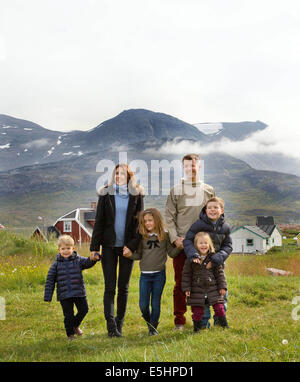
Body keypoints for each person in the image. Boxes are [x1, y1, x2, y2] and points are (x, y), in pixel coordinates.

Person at [90, 163, 144, 337]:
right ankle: (111, 327)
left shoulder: (137, 194)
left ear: (128, 177)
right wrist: (94, 248)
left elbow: (140, 224)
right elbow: (99, 221)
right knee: (110, 287)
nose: (119, 176)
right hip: (109, 246)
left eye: (122, 173)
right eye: (116, 173)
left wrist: (132, 246)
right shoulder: (106, 194)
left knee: (124, 288)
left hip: (127, 248)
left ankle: (119, 324)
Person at [165, 153, 215, 331]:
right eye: (187, 165)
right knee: (180, 283)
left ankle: (200, 320)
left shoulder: (209, 190)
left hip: (202, 247)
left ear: (199, 166)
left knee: (203, 283)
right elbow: (169, 217)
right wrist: (174, 239)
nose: (191, 167)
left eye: (194, 164)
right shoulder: (175, 190)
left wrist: (211, 241)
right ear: (183, 167)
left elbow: (214, 215)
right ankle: (179, 320)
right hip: (182, 246)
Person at [123, 208, 181, 336]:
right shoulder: (142, 237)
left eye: (150, 220)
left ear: (157, 220)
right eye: (145, 221)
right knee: (143, 305)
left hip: (159, 275)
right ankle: (149, 323)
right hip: (145, 275)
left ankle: (153, 328)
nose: (148, 223)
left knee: (155, 302)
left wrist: (180, 248)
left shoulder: (165, 236)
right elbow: (138, 255)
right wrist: (129, 255)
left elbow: (171, 253)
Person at [183, 196, 232, 327]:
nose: (212, 210)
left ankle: (219, 321)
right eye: (209, 208)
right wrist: (193, 253)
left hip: (218, 264)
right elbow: (187, 240)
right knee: (202, 295)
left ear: (221, 210)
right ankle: (204, 323)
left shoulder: (225, 227)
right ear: (205, 210)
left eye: (215, 207)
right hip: (200, 265)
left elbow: (228, 246)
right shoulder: (198, 225)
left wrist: (218, 257)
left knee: (221, 291)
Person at [44, 235, 100, 341]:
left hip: (79, 292)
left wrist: (94, 259)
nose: (66, 251)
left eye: (68, 248)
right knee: (68, 315)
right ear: (59, 250)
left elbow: (88, 262)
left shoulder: (78, 260)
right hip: (64, 295)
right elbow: (50, 281)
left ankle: (75, 326)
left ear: (73, 249)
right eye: (63, 249)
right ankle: (70, 334)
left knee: (84, 309)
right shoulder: (55, 265)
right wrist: (48, 296)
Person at [181, 232, 229, 332]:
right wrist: (186, 289)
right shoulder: (191, 260)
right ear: (195, 245)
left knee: (220, 308)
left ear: (209, 245)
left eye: (206, 243)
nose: (203, 245)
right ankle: (197, 330)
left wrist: (223, 287)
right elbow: (186, 275)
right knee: (198, 312)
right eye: (201, 243)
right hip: (196, 291)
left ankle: (224, 326)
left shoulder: (214, 258)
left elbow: (220, 274)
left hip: (213, 289)